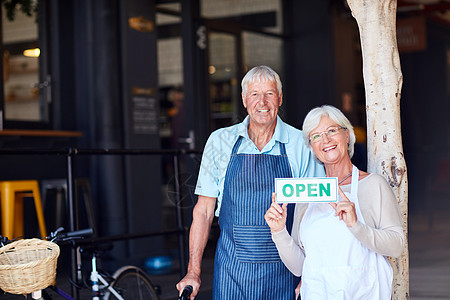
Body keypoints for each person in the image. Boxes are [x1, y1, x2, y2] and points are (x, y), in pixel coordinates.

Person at [176, 65, 325, 299]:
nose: (262, 102)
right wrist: (193, 271)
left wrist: (310, 273)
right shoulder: (220, 141)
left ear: (280, 98)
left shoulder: (301, 143)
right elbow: (204, 211)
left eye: (269, 93)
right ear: (244, 99)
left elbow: (316, 213)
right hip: (232, 271)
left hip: (285, 270)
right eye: (255, 94)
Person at [265, 105, 405, 299]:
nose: (326, 140)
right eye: (316, 136)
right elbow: (299, 268)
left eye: (332, 131)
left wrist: (356, 226)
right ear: (312, 147)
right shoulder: (306, 195)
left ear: (346, 135)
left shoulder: (373, 185)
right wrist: (279, 232)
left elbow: (397, 246)